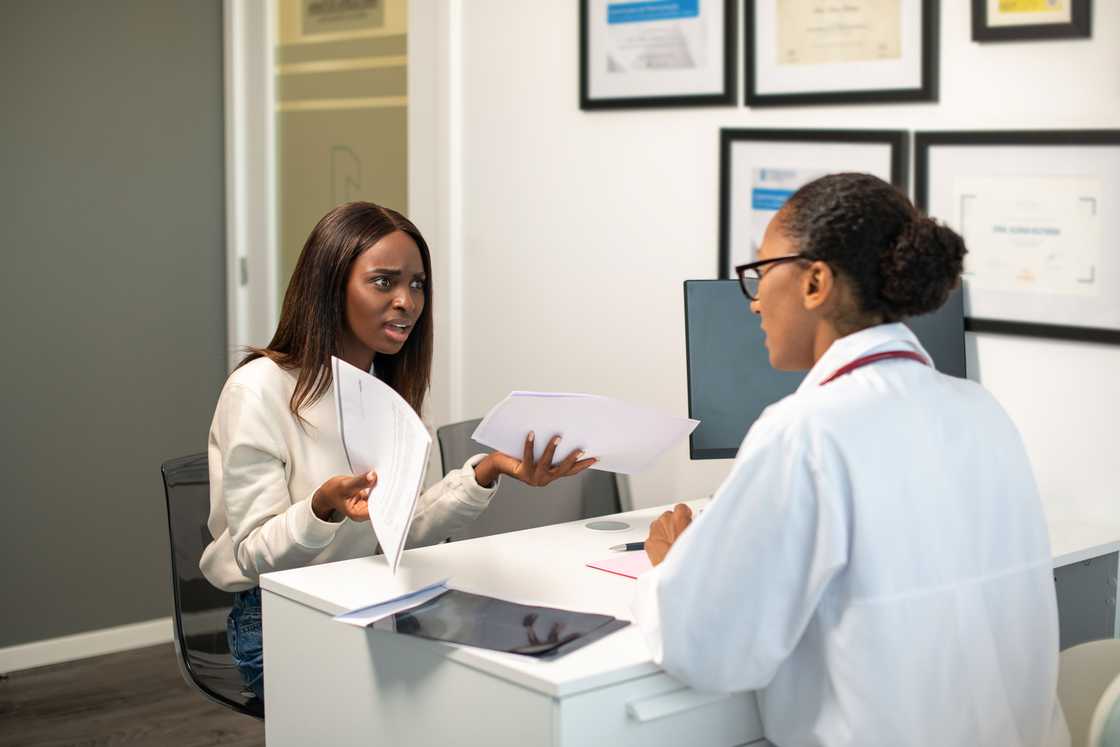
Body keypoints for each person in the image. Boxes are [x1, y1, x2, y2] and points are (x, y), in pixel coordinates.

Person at [633, 173, 1069, 746]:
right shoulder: (980, 409)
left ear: (815, 282)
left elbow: (705, 646)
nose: (756, 301)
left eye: (761, 275)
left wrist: (670, 567)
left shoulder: (806, 431)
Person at [200, 202, 595, 699]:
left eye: (417, 284)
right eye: (384, 282)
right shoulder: (259, 389)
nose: (407, 301)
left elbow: (404, 531)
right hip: (277, 616)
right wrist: (322, 508)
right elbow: (256, 556)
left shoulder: (385, 388)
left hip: (372, 592)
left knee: (504, 682)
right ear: (329, 287)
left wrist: (488, 470)